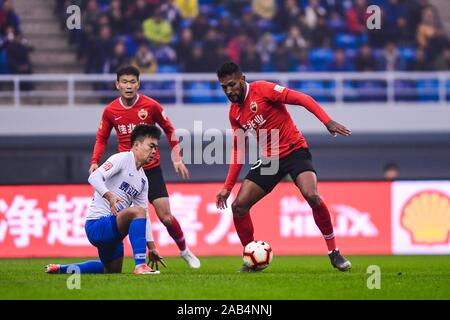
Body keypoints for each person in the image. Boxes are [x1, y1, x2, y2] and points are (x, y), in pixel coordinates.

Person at [215, 62, 352, 272]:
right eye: (224, 87)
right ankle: (251, 258)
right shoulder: (234, 113)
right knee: (239, 206)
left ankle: (334, 252)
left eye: (232, 84)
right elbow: (238, 152)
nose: (229, 91)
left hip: (295, 150)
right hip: (270, 159)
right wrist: (227, 187)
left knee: (312, 195)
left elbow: (303, 99)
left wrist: (328, 121)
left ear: (242, 78)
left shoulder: (263, 89)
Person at [88, 65, 200, 268]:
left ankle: (184, 250)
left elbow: (169, 130)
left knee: (165, 217)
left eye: (132, 82)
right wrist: (95, 160)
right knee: (125, 215)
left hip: (151, 169)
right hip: (124, 170)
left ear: (139, 84)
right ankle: (124, 258)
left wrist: (177, 158)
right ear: (117, 84)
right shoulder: (110, 110)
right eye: (124, 82)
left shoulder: (151, 106)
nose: (128, 86)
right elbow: (101, 137)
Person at [46, 125, 166, 274]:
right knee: (137, 211)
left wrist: (152, 248)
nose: (154, 151)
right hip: (98, 225)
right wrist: (109, 196)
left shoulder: (143, 180)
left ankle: (61, 269)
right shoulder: (122, 158)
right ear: (136, 145)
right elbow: (94, 176)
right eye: (151, 146)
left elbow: (145, 216)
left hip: (113, 232)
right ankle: (140, 266)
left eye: (156, 148)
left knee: (110, 270)